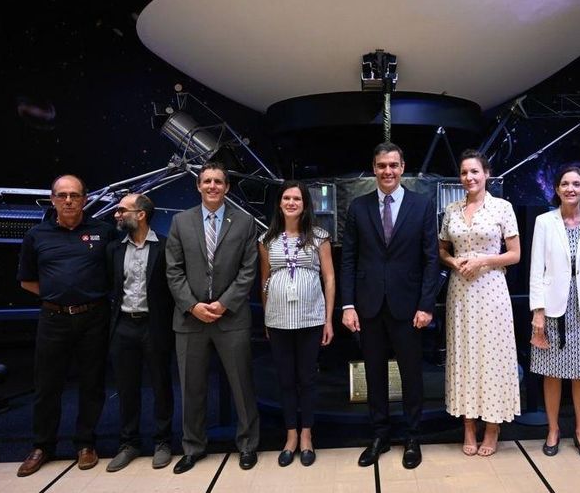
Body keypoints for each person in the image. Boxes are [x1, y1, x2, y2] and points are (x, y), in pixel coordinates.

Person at [341, 142, 440, 470]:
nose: (388, 171)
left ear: (402, 168)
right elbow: (349, 259)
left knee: (412, 374)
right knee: (375, 374)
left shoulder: (422, 205)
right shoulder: (358, 207)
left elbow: (430, 259)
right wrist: (348, 305)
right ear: (374, 168)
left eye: (393, 165)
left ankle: (413, 436)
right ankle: (379, 435)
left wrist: (426, 305)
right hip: (368, 306)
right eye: (382, 165)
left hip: (409, 306)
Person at [16, 174, 116, 477]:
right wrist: (59, 297)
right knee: (48, 386)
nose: (69, 200)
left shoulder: (105, 232)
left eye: (74, 195)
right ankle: (42, 446)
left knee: (92, 383)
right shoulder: (36, 235)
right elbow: (27, 281)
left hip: (94, 318)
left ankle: (85, 443)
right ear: (53, 199)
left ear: (85, 199)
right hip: (54, 319)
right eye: (62, 195)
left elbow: (115, 274)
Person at [166, 162, 261, 473]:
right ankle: (193, 447)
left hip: (230, 318)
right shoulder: (181, 222)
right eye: (206, 181)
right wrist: (193, 306)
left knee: (242, 386)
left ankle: (247, 446)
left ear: (227, 187)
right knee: (191, 387)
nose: (212, 186)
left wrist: (223, 304)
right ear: (198, 186)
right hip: (190, 319)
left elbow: (249, 270)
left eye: (218, 181)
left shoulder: (245, 222)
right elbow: (174, 271)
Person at [438, 149, 521, 457]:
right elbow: (442, 250)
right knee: (464, 356)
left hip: (492, 290)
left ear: (486, 174)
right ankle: (468, 427)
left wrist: (484, 260)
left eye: (474, 171)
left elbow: (515, 254)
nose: (469, 177)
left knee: (492, 357)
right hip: (460, 292)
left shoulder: (502, 208)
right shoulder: (451, 210)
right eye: (463, 172)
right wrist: (454, 262)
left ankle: (493, 427)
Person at [529, 165, 580, 461]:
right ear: (556, 189)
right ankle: (553, 430)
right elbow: (536, 269)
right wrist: (537, 311)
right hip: (552, 308)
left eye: (576, 184)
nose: (570, 189)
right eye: (564, 183)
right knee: (551, 374)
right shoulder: (544, 222)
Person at [258, 181, 335, 467]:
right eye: (287, 198)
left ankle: (306, 435)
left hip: (311, 319)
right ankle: (290, 435)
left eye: (297, 198)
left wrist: (328, 319)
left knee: (307, 379)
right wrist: (266, 316)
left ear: (305, 204)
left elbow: (329, 278)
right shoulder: (267, 239)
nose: (291, 202)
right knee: (286, 380)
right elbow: (264, 280)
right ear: (279, 203)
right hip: (278, 320)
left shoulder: (319, 236)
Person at [105, 193, 175, 472]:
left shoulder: (167, 247)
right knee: (126, 387)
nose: (117, 214)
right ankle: (129, 443)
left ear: (141, 214)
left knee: (161, 385)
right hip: (123, 325)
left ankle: (163, 442)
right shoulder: (113, 249)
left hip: (154, 325)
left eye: (122, 210)